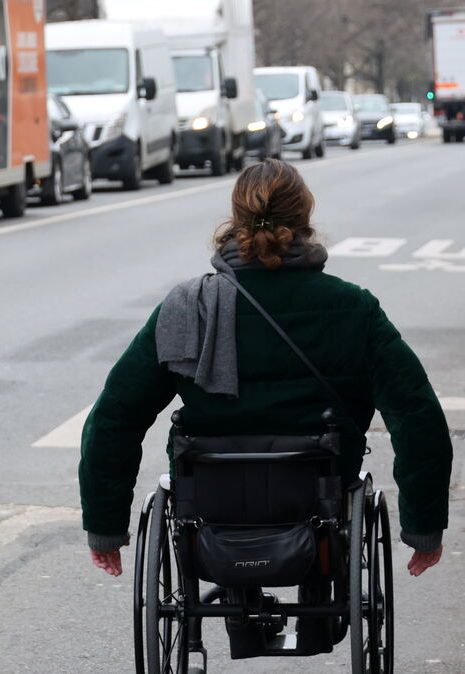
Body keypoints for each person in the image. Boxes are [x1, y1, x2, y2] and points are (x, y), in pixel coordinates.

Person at [78, 159, 451, 582]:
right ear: (304, 217)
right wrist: (423, 527)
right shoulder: (353, 308)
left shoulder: (186, 308)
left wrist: (105, 528)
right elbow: (417, 417)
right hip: (318, 493)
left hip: (211, 496)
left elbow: (114, 417)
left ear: (236, 218)